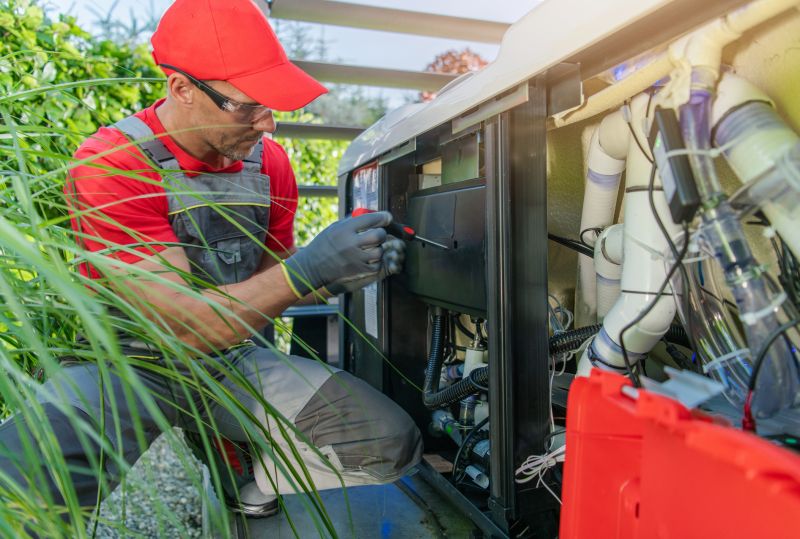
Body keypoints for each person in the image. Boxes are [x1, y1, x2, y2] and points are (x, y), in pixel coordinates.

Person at [0, 0, 421, 526]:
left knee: (389, 442)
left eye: (273, 105)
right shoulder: (114, 162)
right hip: (123, 365)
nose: (268, 124)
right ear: (181, 89)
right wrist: (307, 270)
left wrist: (345, 271)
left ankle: (243, 473)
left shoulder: (268, 164)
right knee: (20, 483)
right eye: (248, 107)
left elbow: (276, 276)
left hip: (227, 361)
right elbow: (182, 326)